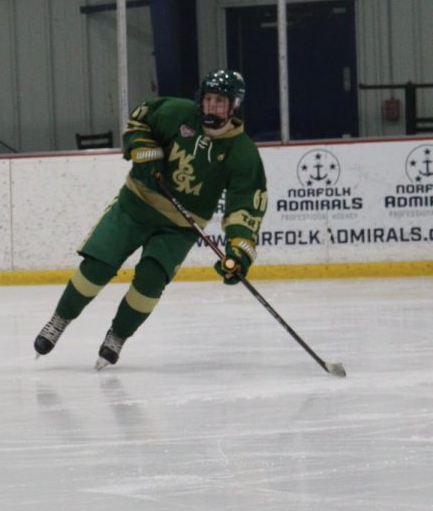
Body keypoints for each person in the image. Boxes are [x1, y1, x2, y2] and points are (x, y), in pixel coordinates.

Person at [33, 70, 268, 369]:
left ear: (234, 105)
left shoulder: (243, 152)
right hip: (135, 205)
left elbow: (247, 203)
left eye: (220, 102)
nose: (211, 107)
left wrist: (240, 250)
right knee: (98, 265)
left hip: (179, 228)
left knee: (150, 281)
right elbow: (139, 120)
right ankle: (59, 320)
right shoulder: (178, 112)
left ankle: (118, 336)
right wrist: (144, 149)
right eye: (208, 99)